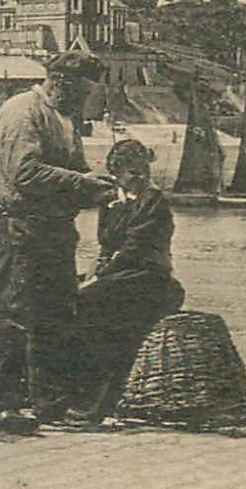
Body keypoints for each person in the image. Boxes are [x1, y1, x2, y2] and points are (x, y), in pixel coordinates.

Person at [0, 51, 118, 435]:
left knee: (56, 315)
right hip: (17, 229)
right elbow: (25, 173)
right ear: (63, 84)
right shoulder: (21, 112)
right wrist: (83, 184)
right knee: (12, 315)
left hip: (55, 230)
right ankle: (1, 406)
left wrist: (97, 191)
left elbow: (70, 174)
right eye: (88, 93)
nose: (91, 101)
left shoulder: (65, 120)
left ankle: (48, 401)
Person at [73, 138, 186, 421]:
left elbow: (132, 250)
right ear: (117, 172)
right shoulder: (111, 201)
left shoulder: (153, 202)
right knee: (64, 294)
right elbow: (106, 246)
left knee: (93, 307)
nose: (140, 178)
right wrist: (90, 272)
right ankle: (66, 393)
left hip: (150, 279)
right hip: (121, 276)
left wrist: (97, 279)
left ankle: (95, 403)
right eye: (133, 172)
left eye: (143, 171)